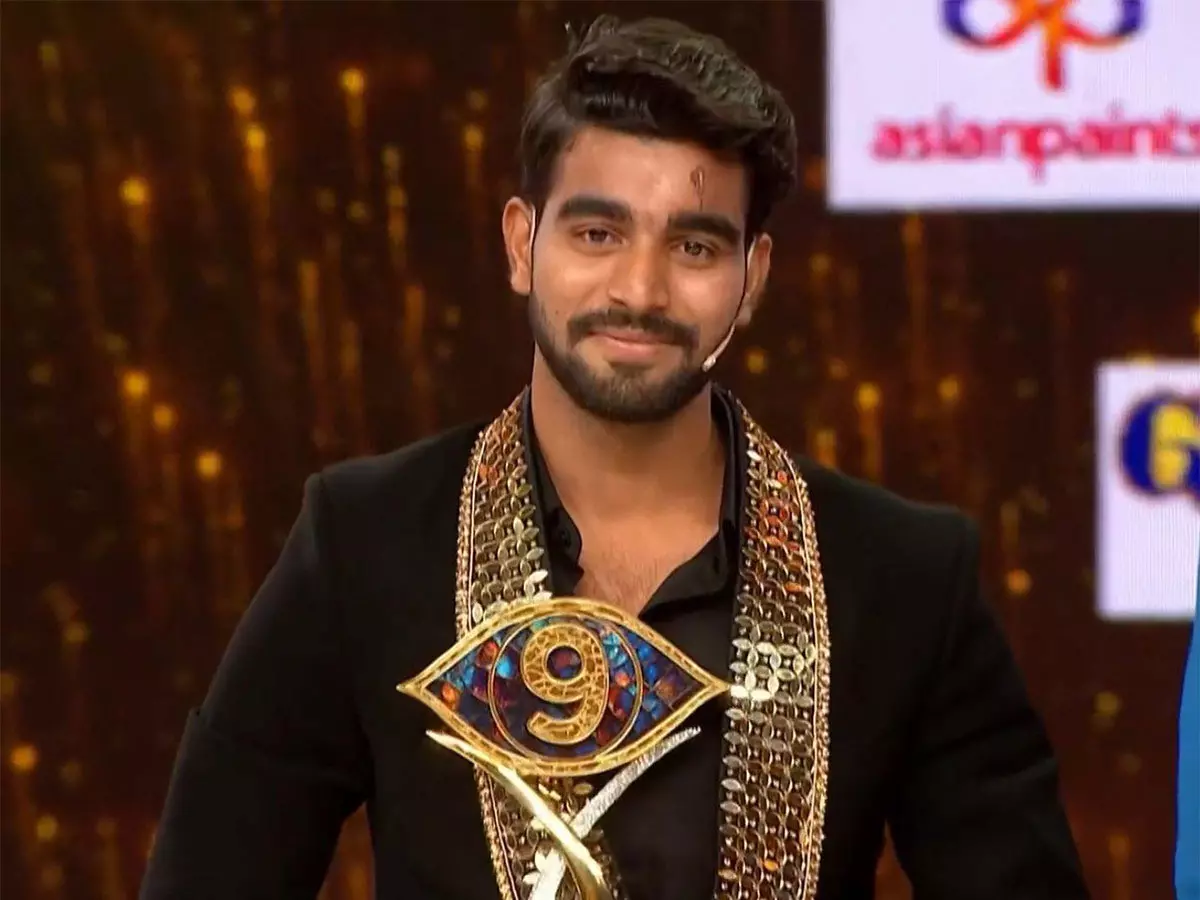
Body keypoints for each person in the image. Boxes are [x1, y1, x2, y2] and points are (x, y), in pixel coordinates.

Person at [140, 16, 1088, 900]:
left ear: (752, 278)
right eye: (598, 233)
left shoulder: (901, 576)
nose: (640, 289)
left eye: (695, 246)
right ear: (523, 244)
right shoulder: (365, 543)